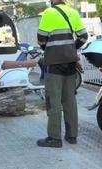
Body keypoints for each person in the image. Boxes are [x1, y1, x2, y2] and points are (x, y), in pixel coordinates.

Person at [37, 0, 88, 147]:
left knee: (54, 101)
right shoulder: (73, 12)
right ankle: (72, 136)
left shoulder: (49, 13)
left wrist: (49, 48)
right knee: (69, 100)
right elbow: (83, 36)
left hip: (54, 63)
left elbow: (41, 38)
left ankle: (54, 138)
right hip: (71, 62)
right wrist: (72, 47)